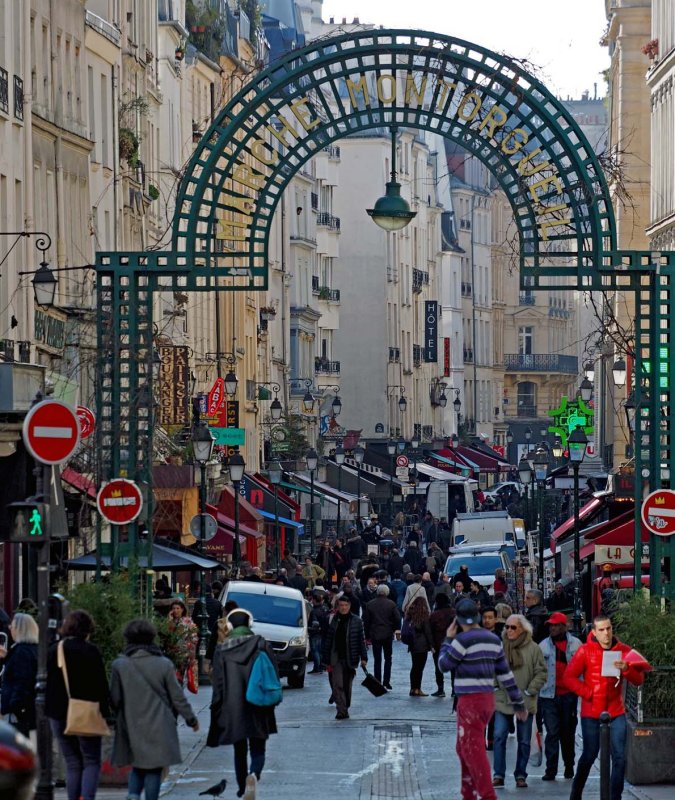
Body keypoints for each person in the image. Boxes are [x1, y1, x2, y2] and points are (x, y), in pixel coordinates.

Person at [439, 600, 527, 800]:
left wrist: (447, 640)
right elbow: (505, 674)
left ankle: (486, 795)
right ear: (478, 617)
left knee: (472, 747)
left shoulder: (462, 640)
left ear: (458, 619)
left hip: (469, 700)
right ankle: (468, 793)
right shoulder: (493, 640)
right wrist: (518, 702)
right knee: (464, 746)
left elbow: (444, 665)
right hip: (487, 699)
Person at [110, 619, 199, 800]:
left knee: (137, 765)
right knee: (154, 768)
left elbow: (114, 699)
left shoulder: (120, 665)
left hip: (130, 723)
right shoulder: (163, 664)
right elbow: (177, 697)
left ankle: (133, 795)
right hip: (159, 723)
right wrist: (191, 719)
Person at [565, 614, 645, 800]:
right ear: (594, 632)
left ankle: (614, 797)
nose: (606, 633)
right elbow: (568, 678)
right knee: (589, 754)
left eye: (608, 628)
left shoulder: (623, 650)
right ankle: (576, 792)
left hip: (615, 710)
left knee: (619, 757)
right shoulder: (585, 651)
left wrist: (627, 669)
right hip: (591, 710)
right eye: (601, 630)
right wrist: (589, 693)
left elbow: (639, 679)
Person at [207, 609, 279, 798]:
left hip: (233, 706)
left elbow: (218, 684)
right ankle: (253, 775)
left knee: (239, 749)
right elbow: (273, 673)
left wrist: (217, 709)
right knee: (258, 747)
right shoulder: (261, 644)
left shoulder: (222, 649)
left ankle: (241, 787)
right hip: (259, 703)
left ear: (229, 626)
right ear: (250, 625)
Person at [46, 610, 109, 800]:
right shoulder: (91, 651)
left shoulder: (55, 650)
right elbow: (101, 686)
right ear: (87, 629)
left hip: (58, 713)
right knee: (91, 760)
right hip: (86, 711)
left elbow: (47, 681)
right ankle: (87, 797)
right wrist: (106, 713)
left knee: (72, 761)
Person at [492, 614, 547, 789]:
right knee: (499, 735)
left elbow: (542, 672)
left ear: (523, 629)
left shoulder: (533, 648)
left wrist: (530, 690)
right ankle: (499, 774)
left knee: (524, 740)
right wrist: (494, 686)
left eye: (513, 627)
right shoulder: (500, 647)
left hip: (524, 700)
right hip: (503, 699)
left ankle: (520, 774)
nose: (508, 630)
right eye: (507, 627)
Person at [538, 612, 582, 781]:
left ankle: (569, 766)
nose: (553, 628)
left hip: (569, 695)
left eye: (556, 625)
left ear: (564, 626)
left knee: (567, 733)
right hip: (549, 695)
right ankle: (551, 769)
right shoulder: (543, 646)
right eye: (551, 625)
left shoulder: (576, 645)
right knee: (552, 732)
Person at [321, 594, 368, 720]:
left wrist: (364, 657)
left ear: (349, 606)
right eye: (341, 605)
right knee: (337, 684)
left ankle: (345, 706)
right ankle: (341, 709)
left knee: (347, 685)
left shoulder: (356, 621)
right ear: (338, 606)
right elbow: (329, 640)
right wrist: (325, 659)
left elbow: (361, 640)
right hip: (335, 658)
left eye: (346, 605)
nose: (343, 608)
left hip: (350, 657)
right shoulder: (334, 620)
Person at [0, 613, 38, 736]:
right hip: (29, 709)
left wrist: (11, 708)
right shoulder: (33, 649)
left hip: (19, 712)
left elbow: (21, 681)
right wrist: (6, 656)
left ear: (20, 629)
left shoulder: (21, 651)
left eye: (13, 626)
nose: (10, 628)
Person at [362, 584, 400, 690]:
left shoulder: (370, 604)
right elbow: (397, 618)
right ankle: (386, 681)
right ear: (387, 592)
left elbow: (366, 620)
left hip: (375, 634)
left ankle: (377, 680)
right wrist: (394, 629)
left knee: (377, 659)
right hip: (387, 634)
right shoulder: (391, 604)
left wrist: (367, 634)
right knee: (388, 658)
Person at [166, 599, 199, 691]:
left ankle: (177, 694)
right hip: (170, 653)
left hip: (183, 653)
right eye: (173, 608)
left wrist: (192, 655)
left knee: (179, 677)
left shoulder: (188, 622)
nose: (175, 610)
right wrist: (169, 620)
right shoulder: (169, 621)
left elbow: (193, 639)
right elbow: (166, 634)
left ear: (182, 609)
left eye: (178, 608)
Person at [404, 596, 434, 696]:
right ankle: (418, 689)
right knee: (419, 668)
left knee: (414, 667)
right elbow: (428, 632)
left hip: (412, 644)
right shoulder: (423, 615)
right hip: (422, 645)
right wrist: (432, 645)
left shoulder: (410, 614)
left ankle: (412, 688)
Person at [429, 594, 455, 698]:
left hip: (438, 644)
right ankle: (454, 690)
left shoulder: (434, 615)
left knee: (438, 667)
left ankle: (440, 689)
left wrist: (431, 645)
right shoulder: (454, 613)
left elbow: (430, 631)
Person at [308, 591, 330, 674]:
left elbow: (314, 623)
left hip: (316, 633)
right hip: (324, 631)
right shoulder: (325, 608)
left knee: (315, 650)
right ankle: (321, 665)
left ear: (314, 600)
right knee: (320, 650)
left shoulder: (314, 611)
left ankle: (317, 667)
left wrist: (310, 629)